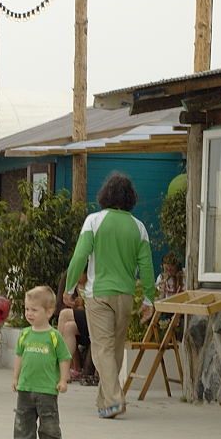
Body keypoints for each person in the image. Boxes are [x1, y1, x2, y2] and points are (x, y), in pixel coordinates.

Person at [64, 172, 155, 420]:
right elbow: (147, 268)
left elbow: (79, 257)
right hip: (125, 295)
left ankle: (115, 399)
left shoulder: (94, 221)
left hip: (99, 294)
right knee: (114, 348)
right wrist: (148, 299)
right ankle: (104, 401)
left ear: (105, 195)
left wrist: (70, 287)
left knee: (102, 348)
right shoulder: (139, 227)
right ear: (130, 198)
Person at [10, 286, 71, 439]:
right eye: (27, 309)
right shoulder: (24, 334)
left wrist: (63, 379)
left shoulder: (54, 336)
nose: (29, 313)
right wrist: (15, 378)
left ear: (49, 311)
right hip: (26, 387)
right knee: (23, 419)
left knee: (49, 420)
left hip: (47, 389)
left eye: (34, 310)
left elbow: (64, 358)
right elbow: (19, 357)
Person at [55, 271, 93, 383]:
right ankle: (65, 372)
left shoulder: (94, 281)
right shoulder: (70, 280)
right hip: (84, 322)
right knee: (68, 328)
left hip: (95, 317)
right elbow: (59, 306)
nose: (77, 277)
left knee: (65, 314)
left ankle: (55, 359)